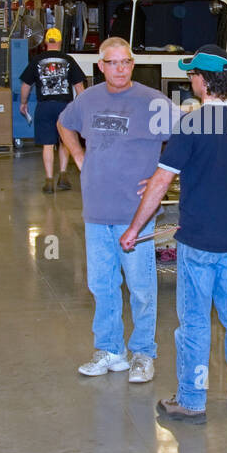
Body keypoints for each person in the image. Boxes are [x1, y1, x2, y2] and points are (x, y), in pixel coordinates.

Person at [119, 45, 227, 424]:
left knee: (195, 322)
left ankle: (191, 398)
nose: (190, 81)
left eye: (191, 75)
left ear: (202, 80)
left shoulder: (192, 124)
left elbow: (161, 181)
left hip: (198, 240)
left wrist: (134, 228)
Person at [58, 37, 172, 383]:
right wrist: (79, 156)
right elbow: (65, 123)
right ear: (100, 66)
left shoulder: (152, 102)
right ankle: (109, 350)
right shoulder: (88, 100)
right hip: (96, 212)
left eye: (126, 62)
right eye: (113, 63)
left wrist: (158, 177)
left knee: (140, 287)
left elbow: (186, 138)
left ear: (132, 65)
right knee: (101, 284)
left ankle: (142, 353)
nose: (120, 69)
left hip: (135, 215)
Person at [20, 28, 86, 193]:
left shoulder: (36, 60)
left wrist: (23, 103)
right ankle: (63, 176)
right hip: (65, 106)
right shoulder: (68, 60)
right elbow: (79, 86)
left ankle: (49, 181)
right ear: (60, 41)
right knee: (65, 142)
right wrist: (83, 106)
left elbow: (25, 85)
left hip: (44, 106)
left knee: (48, 145)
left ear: (45, 43)